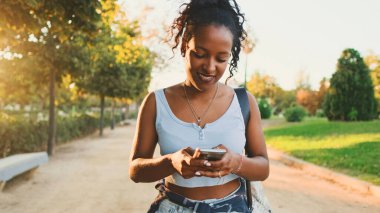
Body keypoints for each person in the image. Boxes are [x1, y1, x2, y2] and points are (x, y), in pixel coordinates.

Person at [129, 0, 269, 212]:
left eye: (221, 58)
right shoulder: (156, 102)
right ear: (185, 44)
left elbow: (263, 167)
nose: (210, 67)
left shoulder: (243, 102)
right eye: (200, 54)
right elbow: (135, 170)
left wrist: (235, 162)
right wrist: (171, 162)